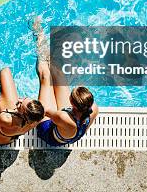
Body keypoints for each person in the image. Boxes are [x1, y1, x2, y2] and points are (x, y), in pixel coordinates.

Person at [32, 17, 99, 146]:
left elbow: (40, 111)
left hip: (48, 132)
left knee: (46, 77)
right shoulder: (93, 109)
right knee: (58, 73)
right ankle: (44, 43)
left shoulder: (64, 118)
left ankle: (38, 32)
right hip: (67, 126)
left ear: (71, 102)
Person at [0, 67, 44, 145]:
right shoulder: (37, 115)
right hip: (8, 132)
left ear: (23, 113)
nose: (19, 100)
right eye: (24, 99)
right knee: (5, 71)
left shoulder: (6, 119)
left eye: (19, 104)